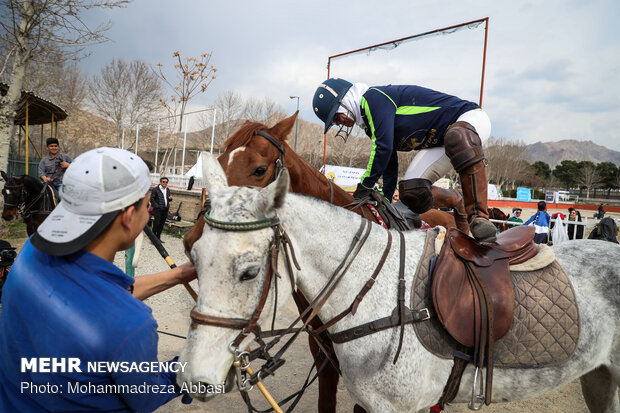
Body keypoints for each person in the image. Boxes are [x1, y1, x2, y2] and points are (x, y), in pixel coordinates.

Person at [0, 147, 197, 411]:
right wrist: (184, 369)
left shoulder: (31, 252)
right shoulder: (132, 325)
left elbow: (99, 300)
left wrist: (178, 275)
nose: (149, 211)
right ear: (128, 216)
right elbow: (147, 396)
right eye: (146, 205)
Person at [312, 78, 496, 242]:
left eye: (336, 117)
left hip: (470, 119)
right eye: (333, 122)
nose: (337, 123)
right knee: (411, 192)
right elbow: (389, 163)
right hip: (442, 142)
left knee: (457, 136)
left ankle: (479, 217)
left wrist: (364, 188)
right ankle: (457, 199)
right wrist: (384, 200)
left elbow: (383, 148)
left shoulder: (372, 98)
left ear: (344, 102)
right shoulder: (368, 124)